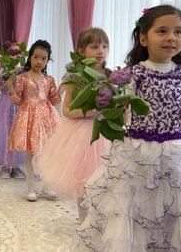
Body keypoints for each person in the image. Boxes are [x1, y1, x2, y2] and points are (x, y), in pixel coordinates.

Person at [72, 5, 181, 251]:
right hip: (138, 153)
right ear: (144, 38)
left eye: (178, 32)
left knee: (175, 212)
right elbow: (120, 110)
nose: (171, 37)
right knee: (133, 211)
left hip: (175, 153)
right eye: (163, 31)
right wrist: (111, 100)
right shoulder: (133, 73)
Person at [37, 27, 111, 220]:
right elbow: (67, 110)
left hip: (106, 132)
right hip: (82, 133)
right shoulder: (75, 76)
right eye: (95, 47)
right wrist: (94, 111)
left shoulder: (110, 75)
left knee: (105, 180)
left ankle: (99, 220)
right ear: (81, 51)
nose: (101, 51)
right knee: (83, 180)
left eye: (104, 46)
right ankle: (84, 220)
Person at [6, 40, 60, 201]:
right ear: (30, 58)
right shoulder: (23, 78)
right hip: (29, 116)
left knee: (49, 152)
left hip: (47, 117)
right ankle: (31, 188)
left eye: (43, 58)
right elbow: (17, 99)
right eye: (36, 57)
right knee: (30, 153)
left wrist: (62, 89)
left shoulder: (49, 79)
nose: (39, 61)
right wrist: (10, 88)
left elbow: (54, 100)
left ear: (47, 60)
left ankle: (47, 186)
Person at [0, 43, 25, 179]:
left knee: (18, 134)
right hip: (5, 104)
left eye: (17, 53)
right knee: (5, 133)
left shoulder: (23, 71)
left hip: (19, 105)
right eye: (11, 53)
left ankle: (17, 166)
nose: (14, 55)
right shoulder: (3, 71)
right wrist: (3, 83)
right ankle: (6, 165)